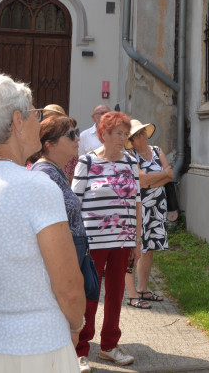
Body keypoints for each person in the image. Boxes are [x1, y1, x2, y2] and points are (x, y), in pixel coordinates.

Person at [0, 71, 83, 372]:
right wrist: (77, 324)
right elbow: (70, 287)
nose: (40, 119)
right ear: (17, 122)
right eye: (35, 112)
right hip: (33, 349)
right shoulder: (36, 186)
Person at [72, 111, 140, 365]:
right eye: (118, 133)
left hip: (122, 240)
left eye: (126, 134)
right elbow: (74, 203)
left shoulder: (131, 162)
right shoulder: (87, 162)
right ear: (104, 134)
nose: (123, 138)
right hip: (93, 241)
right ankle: (80, 351)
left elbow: (136, 202)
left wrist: (137, 240)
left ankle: (109, 345)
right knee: (90, 294)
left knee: (116, 293)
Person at [28, 116, 90, 372]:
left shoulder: (56, 172)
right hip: (58, 267)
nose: (78, 139)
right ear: (50, 144)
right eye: (71, 135)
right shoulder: (45, 175)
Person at [126, 118, 173, 304]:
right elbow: (142, 181)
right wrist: (162, 175)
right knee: (137, 248)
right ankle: (132, 294)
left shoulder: (156, 151)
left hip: (157, 205)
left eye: (143, 131)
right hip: (141, 206)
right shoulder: (130, 156)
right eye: (137, 134)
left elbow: (171, 176)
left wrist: (153, 179)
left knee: (150, 248)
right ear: (132, 139)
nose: (142, 135)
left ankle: (143, 289)